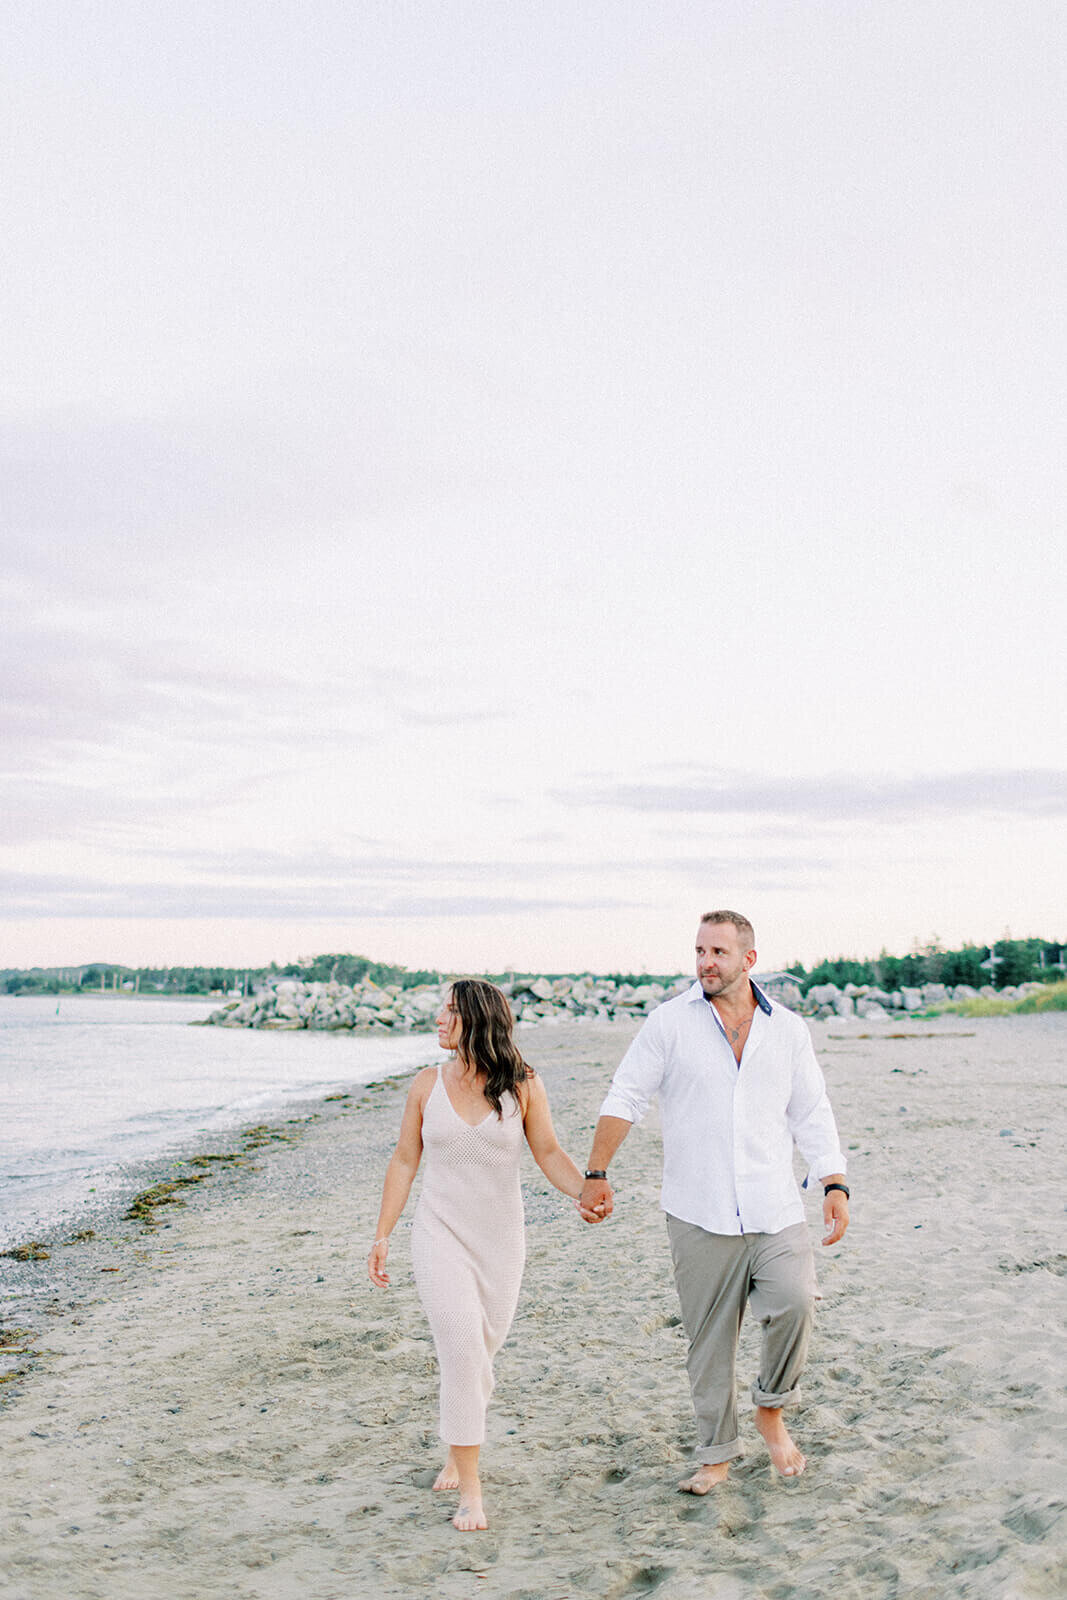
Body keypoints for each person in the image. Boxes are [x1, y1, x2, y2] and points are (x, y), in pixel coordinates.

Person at [579, 910, 850, 1492]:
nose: (705, 962)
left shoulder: (788, 1030)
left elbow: (811, 1111)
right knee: (710, 1344)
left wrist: (833, 1182)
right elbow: (626, 1095)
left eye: (718, 953)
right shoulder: (668, 1023)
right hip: (697, 1211)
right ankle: (716, 1455)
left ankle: (771, 1412)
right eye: (699, 950)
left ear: (748, 960)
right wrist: (597, 1170)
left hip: (775, 1207)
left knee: (797, 1303)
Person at [368, 977, 589, 1531]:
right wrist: (383, 1233)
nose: (438, 1020)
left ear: (475, 1018)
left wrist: (586, 1190)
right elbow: (403, 1161)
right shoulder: (425, 1084)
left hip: (501, 1241)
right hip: (439, 1234)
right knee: (464, 1350)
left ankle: (455, 1442)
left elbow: (549, 1151)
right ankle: (471, 1489)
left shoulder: (524, 1085)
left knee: (480, 1354)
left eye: (448, 1011)